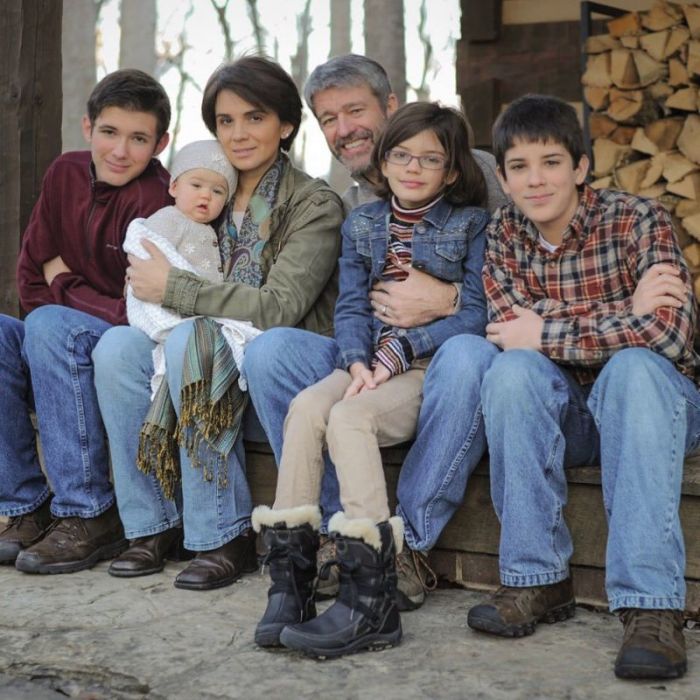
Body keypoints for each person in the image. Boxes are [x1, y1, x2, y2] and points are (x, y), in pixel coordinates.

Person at [244, 53, 505, 608]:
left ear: (390, 105)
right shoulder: (354, 211)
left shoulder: (477, 181)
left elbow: (506, 284)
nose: (343, 129)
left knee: (459, 359)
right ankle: (309, 555)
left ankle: (392, 552)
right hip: (374, 357)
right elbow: (352, 306)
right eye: (328, 119)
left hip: (444, 357)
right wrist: (359, 359)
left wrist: (446, 299)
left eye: (355, 110)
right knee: (282, 367)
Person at [466, 94, 700, 681]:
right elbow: (505, 334)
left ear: (581, 167)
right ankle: (536, 577)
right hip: (569, 416)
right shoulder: (502, 236)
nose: (536, 179)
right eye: (519, 167)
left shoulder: (638, 219)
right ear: (502, 177)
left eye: (550, 162)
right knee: (511, 372)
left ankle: (651, 607)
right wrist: (623, 313)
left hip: (659, 411)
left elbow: (668, 335)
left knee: (635, 369)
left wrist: (545, 326)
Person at [93, 57, 344, 590]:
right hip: (206, 362)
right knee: (115, 347)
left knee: (191, 336)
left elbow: (279, 308)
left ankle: (222, 532)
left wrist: (176, 289)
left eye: (254, 118)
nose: (238, 134)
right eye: (225, 121)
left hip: (282, 366)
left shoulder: (314, 203)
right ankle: (151, 524)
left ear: (287, 126)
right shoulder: (205, 197)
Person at [0, 69, 171, 574]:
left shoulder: (159, 200)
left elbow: (139, 310)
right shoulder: (64, 175)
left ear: (160, 143)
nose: (120, 150)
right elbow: (30, 277)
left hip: (128, 345)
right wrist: (59, 288)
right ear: (87, 127)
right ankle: (24, 505)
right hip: (69, 329)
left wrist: (65, 285)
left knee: (51, 324)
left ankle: (89, 513)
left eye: (138, 138)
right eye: (109, 132)